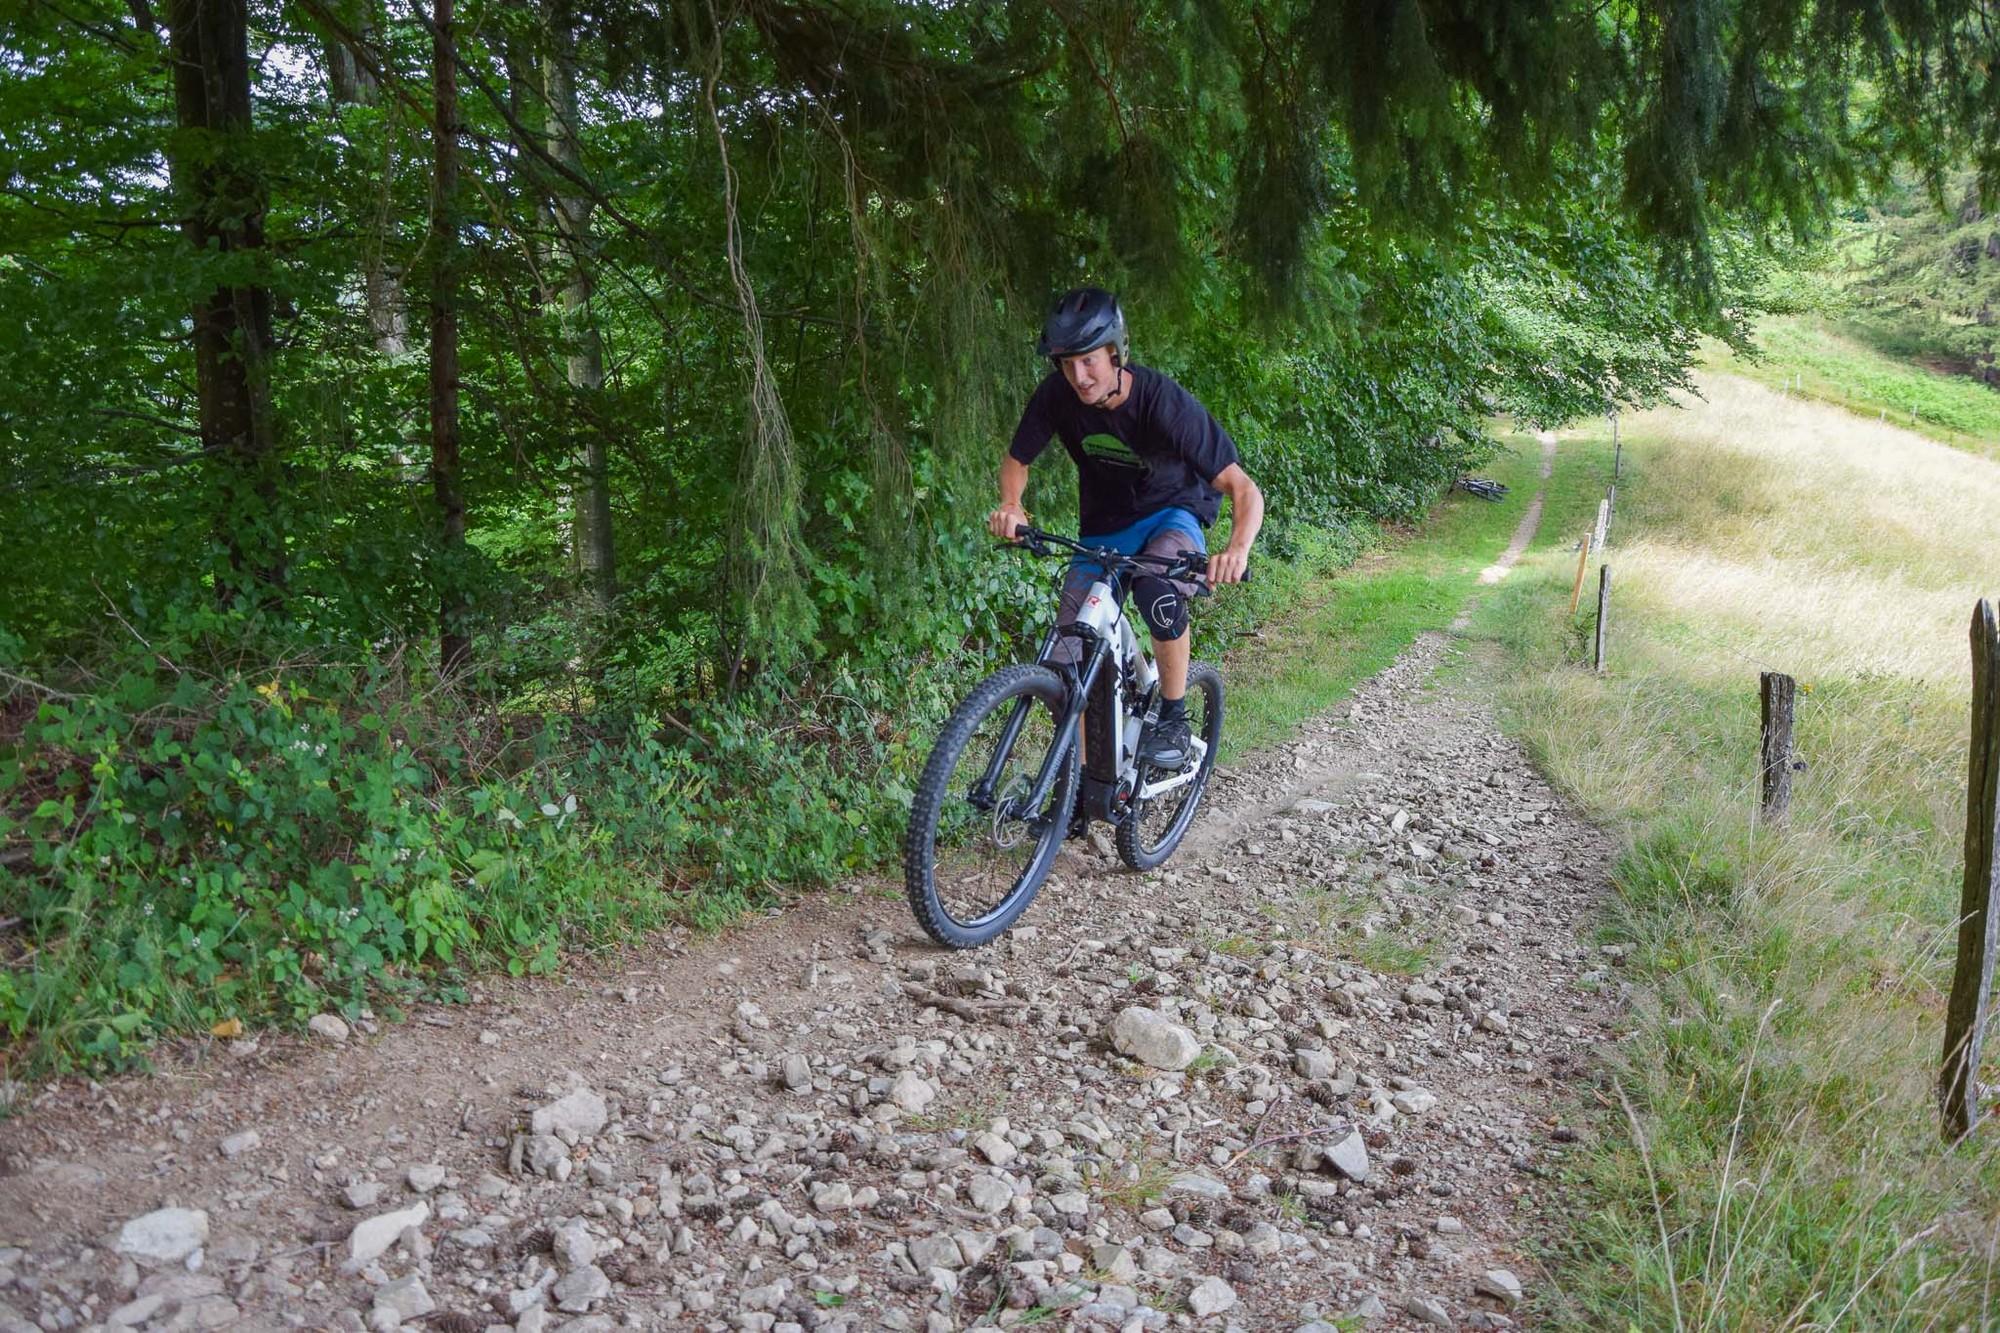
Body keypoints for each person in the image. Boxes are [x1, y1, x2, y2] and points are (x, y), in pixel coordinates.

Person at [988, 286, 1264, 772]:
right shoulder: (1057, 396)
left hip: (1172, 514)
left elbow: (1243, 488)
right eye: (1067, 364)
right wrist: (1012, 505)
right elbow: (1017, 461)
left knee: (1156, 592)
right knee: (1067, 656)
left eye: (1089, 361)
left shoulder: (1162, 401)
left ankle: (1174, 717)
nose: (1078, 376)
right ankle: (1073, 784)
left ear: (1116, 353)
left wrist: (1236, 549)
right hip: (1103, 528)